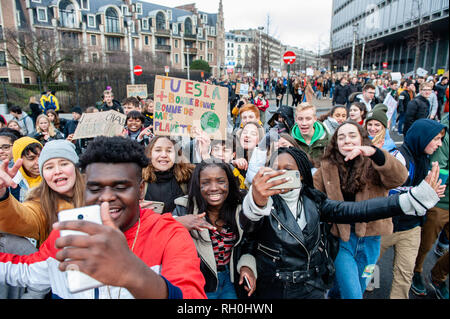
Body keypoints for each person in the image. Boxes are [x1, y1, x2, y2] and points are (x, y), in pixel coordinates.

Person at [0, 136, 207, 299]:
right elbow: (21, 270)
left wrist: (133, 274)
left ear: (141, 189)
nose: (107, 197)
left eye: (120, 187)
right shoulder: (68, 232)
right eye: (96, 187)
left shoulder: (169, 235)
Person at [240, 146, 442, 299]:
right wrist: (255, 201)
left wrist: (411, 199)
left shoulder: (315, 201)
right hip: (275, 290)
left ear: (301, 174)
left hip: (313, 288)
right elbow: (248, 229)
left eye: (288, 169)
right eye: (275, 169)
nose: (281, 173)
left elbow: (358, 210)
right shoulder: (262, 202)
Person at [314, 121, 408, 299]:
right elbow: (312, 194)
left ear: (362, 139)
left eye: (352, 135)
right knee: (353, 294)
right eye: (341, 137)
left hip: (372, 241)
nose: (347, 140)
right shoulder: (326, 168)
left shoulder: (375, 162)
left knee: (358, 285)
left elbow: (400, 178)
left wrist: (375, 153)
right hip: (342, 240)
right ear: (335, 143)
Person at [379, 118, 447, 299]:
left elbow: (421, 196)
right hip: (386, 226)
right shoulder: (398, 157)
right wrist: (421, 192)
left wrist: (432, 194)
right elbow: (386, 194)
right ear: (423, 137)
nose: (439, 144)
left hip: (412, 228)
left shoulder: (425, 159)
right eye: (436, 139)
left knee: (405, 276)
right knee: (365, 268)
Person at [172, 161, 257, 299]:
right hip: (201, 282)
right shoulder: (183, 208)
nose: (214, 188)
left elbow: (250, 242)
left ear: (229, 183)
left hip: (231, 280)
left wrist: (246, 266)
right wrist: (177, 223)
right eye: (205, 182)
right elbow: (163, 238)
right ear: (198, 185)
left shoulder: (241, 208)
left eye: (220, 181)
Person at [411, 113, 449, 298]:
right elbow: (438, 170)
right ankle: (416, 271)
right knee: (425, 243)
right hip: (441, 202)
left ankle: (438, 276)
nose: (439, 142)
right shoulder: (444, 135)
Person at [142, 136, 194, 214]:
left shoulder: (188, 177)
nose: (164, 155)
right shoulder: (138, 179)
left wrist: (204, 154)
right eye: (158, 150)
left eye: (169, 151)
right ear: (150, 153)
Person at [291, 103, 330, 168]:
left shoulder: (328, 140)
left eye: (308, 119)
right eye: (300, 119)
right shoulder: (289, 142)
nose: (304, 123)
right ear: (296, 119)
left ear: (315, 119)